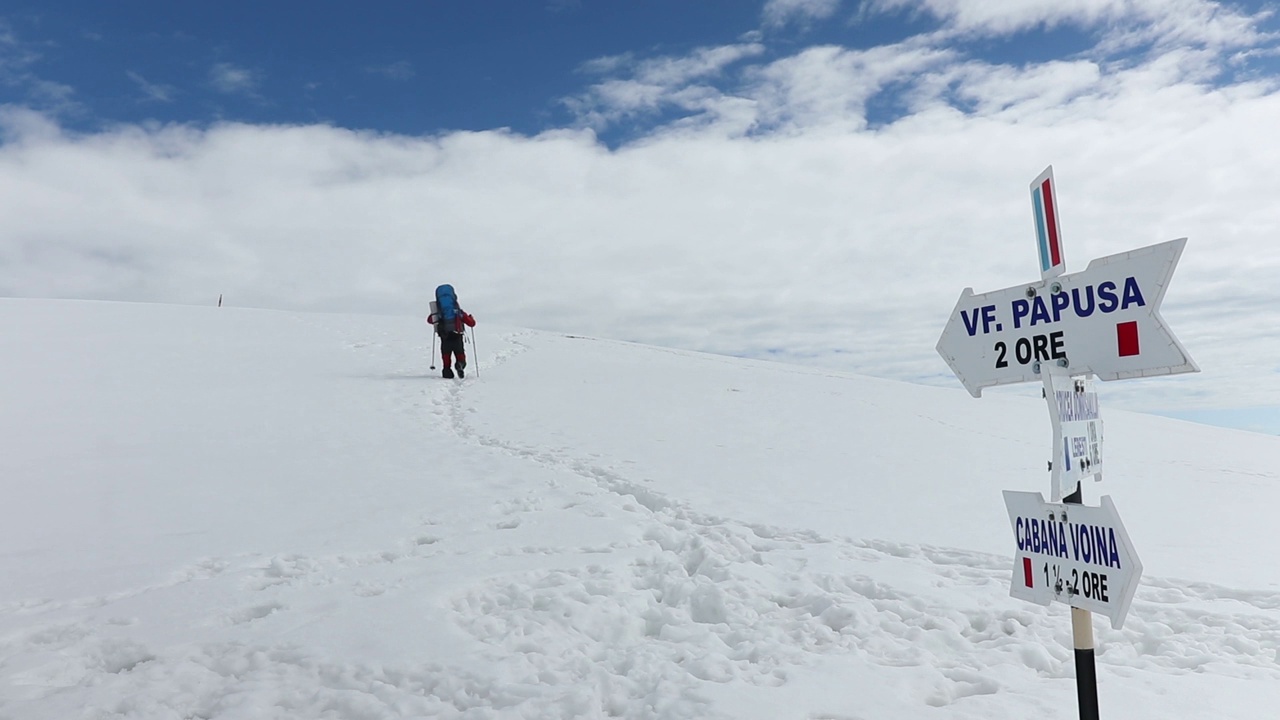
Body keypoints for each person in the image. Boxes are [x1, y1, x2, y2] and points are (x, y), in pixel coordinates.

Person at [428, 301, 476, 379]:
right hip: (457, 337)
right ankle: (459, 364)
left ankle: (447, 371)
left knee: (446, 356)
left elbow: (430, 320)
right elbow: (471, 323)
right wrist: (471, 318)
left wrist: (435, 314)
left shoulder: (440, 312)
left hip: (445, 338)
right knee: (460, 355)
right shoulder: (459, 312)